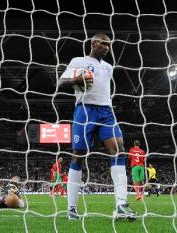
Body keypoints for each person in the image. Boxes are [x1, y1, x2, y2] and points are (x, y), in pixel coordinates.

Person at [58, 33, 136, 220]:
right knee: (79, 155)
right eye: (103, 43)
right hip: (85, 110)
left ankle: (121, 204)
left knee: (119, 150)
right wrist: (75, 81)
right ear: (93, 43)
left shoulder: (108, 67)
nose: (107, 48)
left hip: (106, 112)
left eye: (109, 45)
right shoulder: (78, 61)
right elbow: (60, 83)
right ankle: (71, 208)